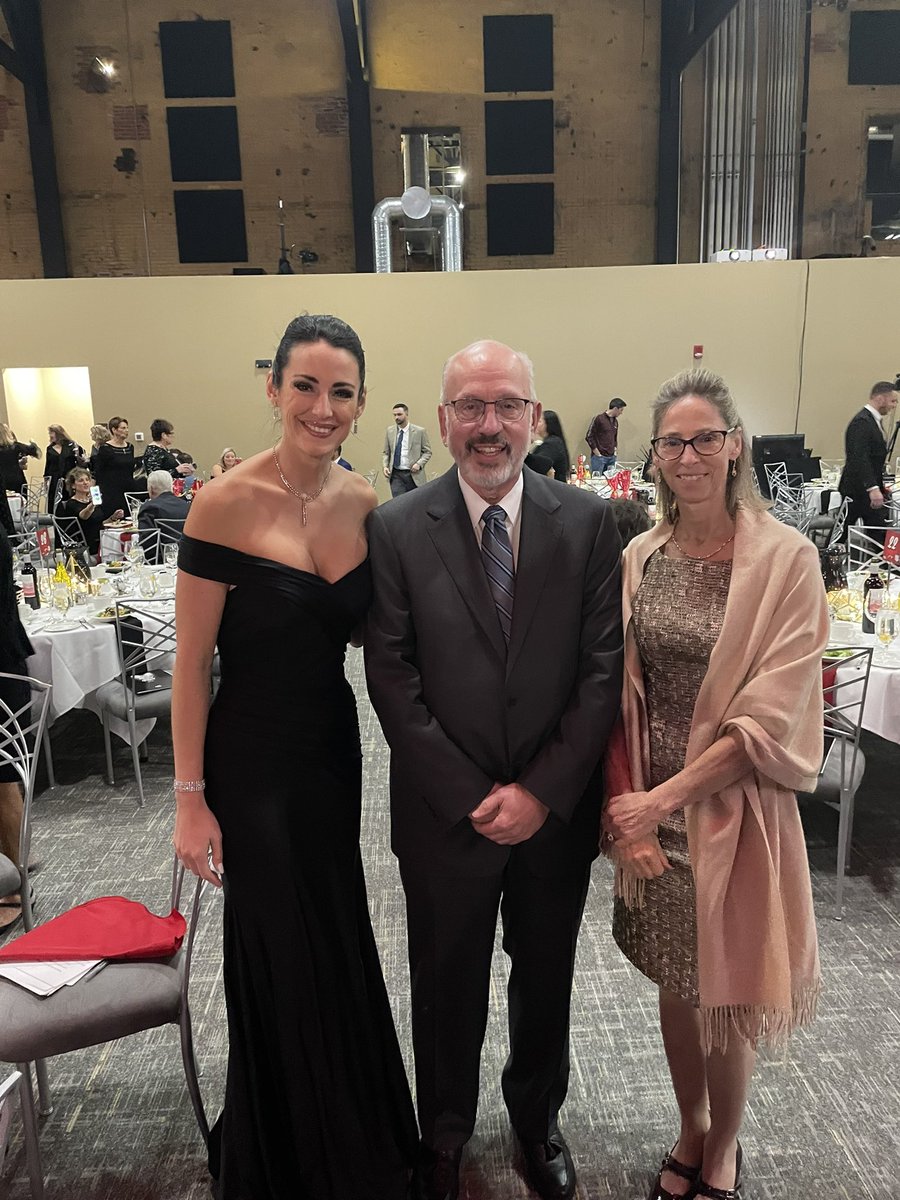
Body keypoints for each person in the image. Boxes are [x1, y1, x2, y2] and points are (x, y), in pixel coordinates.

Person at [365, 340, 623, 1200]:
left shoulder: (587, 522)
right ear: (442, 422)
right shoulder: (397, 528)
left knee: (544, 976)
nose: (488, 425)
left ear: (535, 418)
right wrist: (477, 795)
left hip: (554, 815)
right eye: (470, 407)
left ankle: (534, 1120)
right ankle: (442, 1134)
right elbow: (392, 679)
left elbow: (600, 673)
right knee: (445, 983)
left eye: (506, 405)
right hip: (447, 817)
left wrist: (541, 793)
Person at [171, 314, 417, 1199]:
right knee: (278, 944)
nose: (323, 406)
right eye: (305, 386)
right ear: (273, 389)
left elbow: (384, 640)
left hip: (328, 752)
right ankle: (287, 1146)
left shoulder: (364, 506)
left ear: (360, 404)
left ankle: (348, 1124)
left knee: (335, 927)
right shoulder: (223, 502)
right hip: (250, 759)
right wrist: (190, 798)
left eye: (341, 391)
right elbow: (192, 664)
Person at [602, 368, 827, 1200]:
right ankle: (690, 1125)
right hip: (648, 816)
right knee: (675, 978)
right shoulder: (640, 556)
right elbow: (618, 691)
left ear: (734, 445)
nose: (688, 455)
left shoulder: (786, 561)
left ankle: (725, 1144)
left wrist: (664, 799)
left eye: (705, 438)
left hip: (730, 813)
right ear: (655, 456)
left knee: (725, 992)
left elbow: (769, 720)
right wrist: (628, 813)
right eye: (672, 442)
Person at [0, 525, 34, 933]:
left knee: (3, 779)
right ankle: (16, 861)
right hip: (10, 657)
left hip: (4, 662)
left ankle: (14, 889)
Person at [838, 380, 898, 544]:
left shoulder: (872, 421)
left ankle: (886, 565)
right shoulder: (862, 423)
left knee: (877, 531)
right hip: (856, 490)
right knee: (842, 533)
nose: (895, 406)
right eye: (893, 401)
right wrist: (872, 488)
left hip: (864, 489)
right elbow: (859, 457)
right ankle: (826, 564)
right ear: (880, 399)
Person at [60, 467, 123, 559]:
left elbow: (99, 524)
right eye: (81, 481)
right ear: (73, 485)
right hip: (87, 544)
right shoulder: (71, 503)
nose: (85, 483)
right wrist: (92, 504)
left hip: (100, 537)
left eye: (87, 480)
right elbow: (83, 516)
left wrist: (113, 518)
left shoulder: (91, 502)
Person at [136, 471, 188, 563]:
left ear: (150, 489)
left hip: (158, 561)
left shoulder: (149, 507)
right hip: (186, 559)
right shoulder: (187, 506)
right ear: (171, 486)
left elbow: (147, 543)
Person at [382, 403, 432, 496]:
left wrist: (419, 464)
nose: (397, 417)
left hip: (413, 474)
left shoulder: (419, 431)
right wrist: (385, 466)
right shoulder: (390, 431)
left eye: (399, 414)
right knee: (398, 503)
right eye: (395, 415)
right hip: (396, 474)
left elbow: (427, 452)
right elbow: (386, 452)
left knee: (414, 503)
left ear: (406, 414)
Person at [92, 416, 136, 518]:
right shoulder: (105, 449)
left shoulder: (130, 447)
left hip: (128, 488)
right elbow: (98, 471)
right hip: (111, 490)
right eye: (123, 428)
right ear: (114, 430)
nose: (127, 431)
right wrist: (94, 492)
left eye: (127, 428)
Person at [43, 424, 85, 509]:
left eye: (52, 432)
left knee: (69, 500)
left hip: (69, 478)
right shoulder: (50, 448)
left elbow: (81, 459)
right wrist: (45, 481)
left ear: (58, 433)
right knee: (55, 502)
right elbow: (48, 465)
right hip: (55, 479)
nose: (50, 435)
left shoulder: (72, 445)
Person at [586, 397, 626, 474]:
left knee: (611, 481)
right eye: (621, 410)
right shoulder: (599, 419)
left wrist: (615, 451)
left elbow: (614, 437)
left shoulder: (615, 422)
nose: (621, 413)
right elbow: (589, 436)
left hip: (611, 457)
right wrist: (597, 453)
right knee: (597, 481)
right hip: (599, 457)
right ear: (615, 409)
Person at [529, 408, 570, 480]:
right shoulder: (553, 441)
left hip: (555, 487)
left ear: (548, 424)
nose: (535, 424)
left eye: (539, 421)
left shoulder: (552, 444)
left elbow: (536, 466)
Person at [0, 423, 39, 494]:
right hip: (16, 479)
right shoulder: (15, 446)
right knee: (21, 502)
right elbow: (33, 450)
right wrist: (33, 443)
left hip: (2, 481)